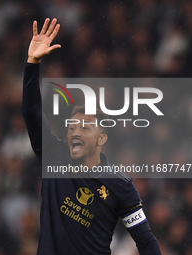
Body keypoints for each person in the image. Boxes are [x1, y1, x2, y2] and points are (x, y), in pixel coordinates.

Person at [22, 18, 162, 255]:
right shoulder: (53, 156)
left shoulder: (120, 185)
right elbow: (31, 111)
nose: (76, 131)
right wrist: (32, 63)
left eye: (85, 128)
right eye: (72, 127)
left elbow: (145, 241)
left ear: (101, 139)